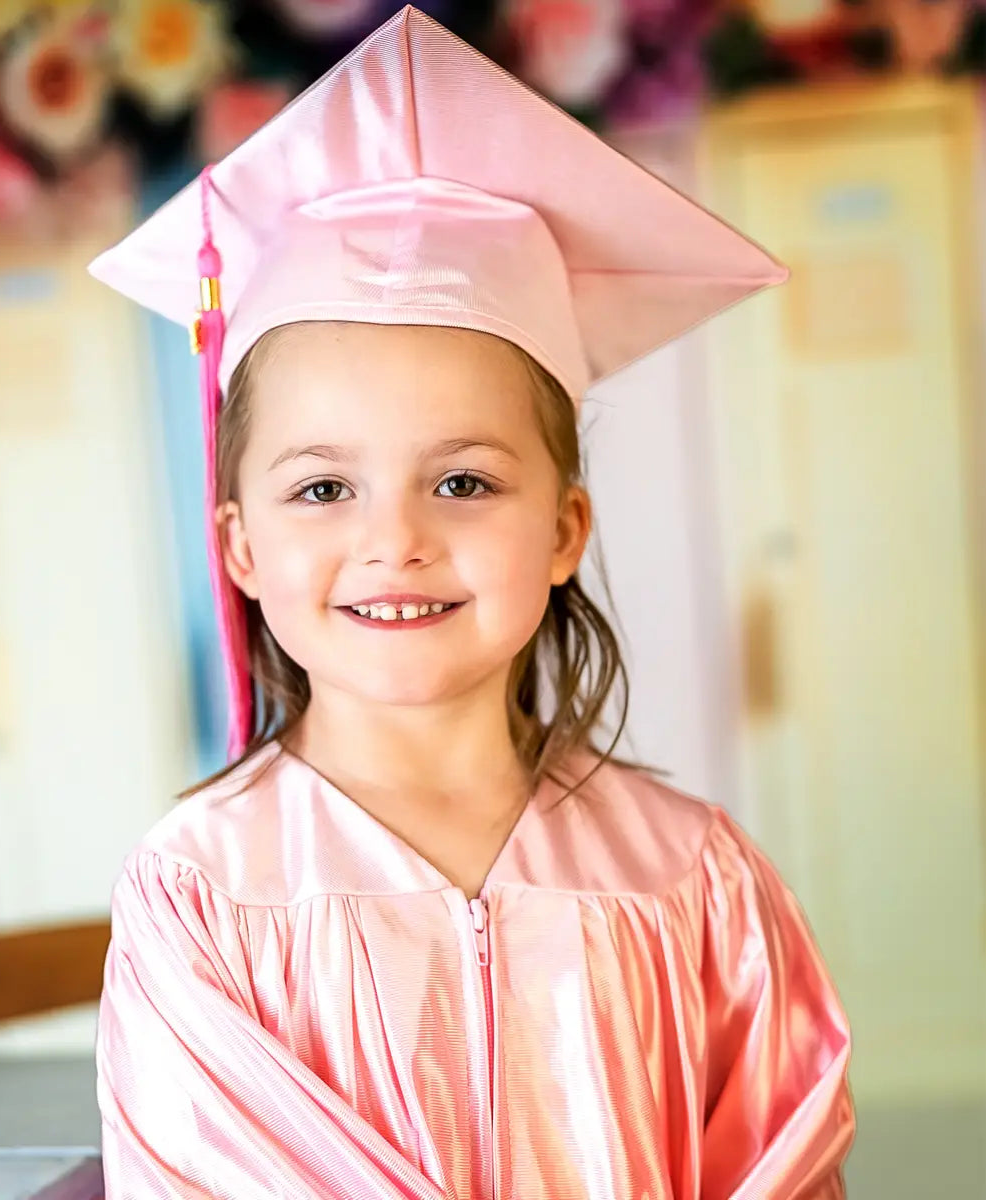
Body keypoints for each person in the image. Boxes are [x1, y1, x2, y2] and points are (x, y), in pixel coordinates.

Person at [88, 7, 855, 1197]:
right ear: (236, 544)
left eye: (463, 480)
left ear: (562, 529)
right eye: (323, 487)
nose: (393, 539)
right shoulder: (204, 893)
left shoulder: (691, 881)